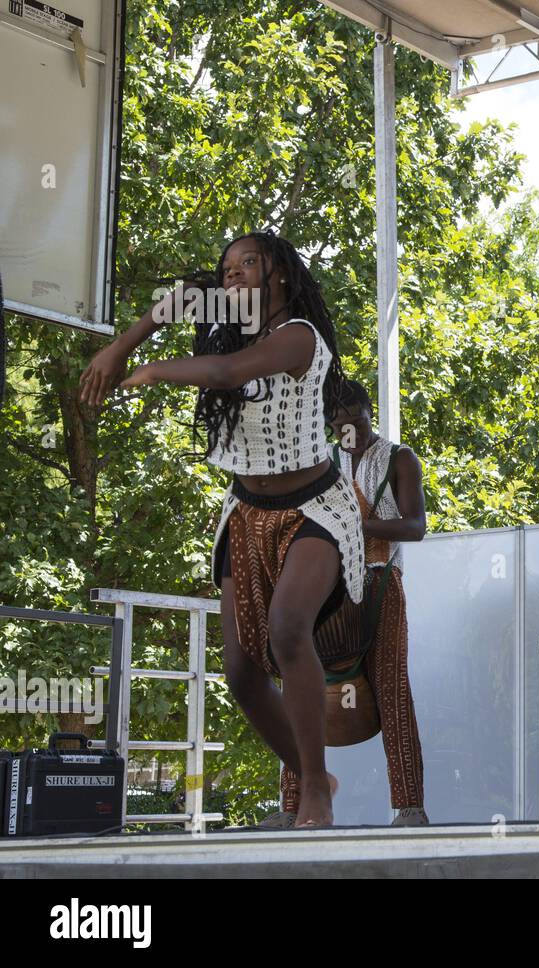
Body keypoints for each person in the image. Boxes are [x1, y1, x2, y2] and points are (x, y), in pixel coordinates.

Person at [80, 231, 363, 827]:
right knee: (239, 674)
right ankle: (317, 773)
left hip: (315, 509)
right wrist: (119, 346)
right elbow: (178, 299)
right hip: (246, 512)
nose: (233, 275)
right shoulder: (229, 319)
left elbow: (230, 372)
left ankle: (314, 788)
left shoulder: (298, 338)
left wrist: (154, 369)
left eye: (249, 264)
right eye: (227, 268)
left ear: (280, 274)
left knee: (289, 630)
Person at [265, 379, 429, 826]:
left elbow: (416, 527)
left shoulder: (400, 458)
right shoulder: (323, 464)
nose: (348, 432)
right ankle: (291, 806)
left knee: (392, 691)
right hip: (329, 587)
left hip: (381, 585)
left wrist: (356, 527)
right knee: (298, 690)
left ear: (367, 412)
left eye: (354, 421)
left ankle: (410, 807)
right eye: (338, 426)